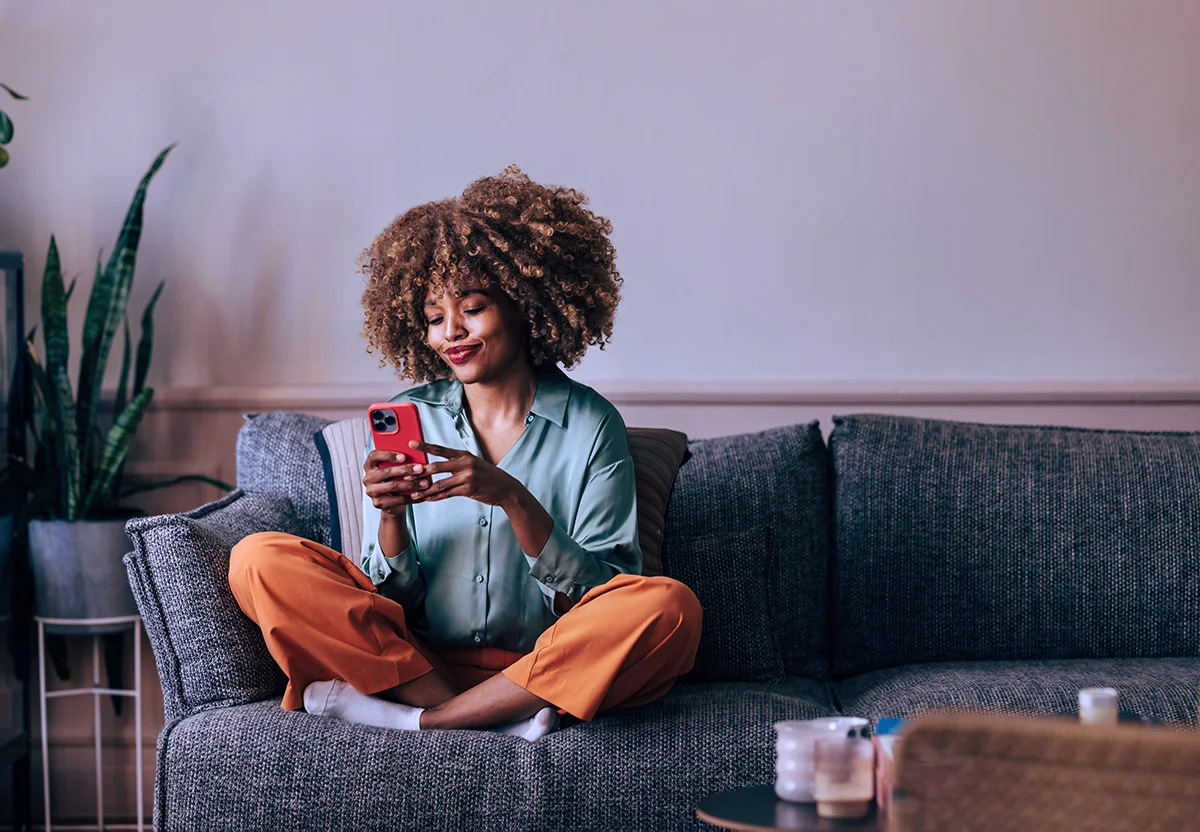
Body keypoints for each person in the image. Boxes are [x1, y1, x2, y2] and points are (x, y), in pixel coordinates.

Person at [228, 166, 702, 741]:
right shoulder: (412, 416)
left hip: (543, 667)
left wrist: (510, 496)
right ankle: (485, 719)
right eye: (433, 318)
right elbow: (385, 605)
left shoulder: (591, 425)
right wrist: (390, 517)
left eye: (472, 308)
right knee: (257, 558)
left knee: (669, 607)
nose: (450, 332)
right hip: (418, 664)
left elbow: (605, 594)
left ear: (526, 305)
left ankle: (432, 722)